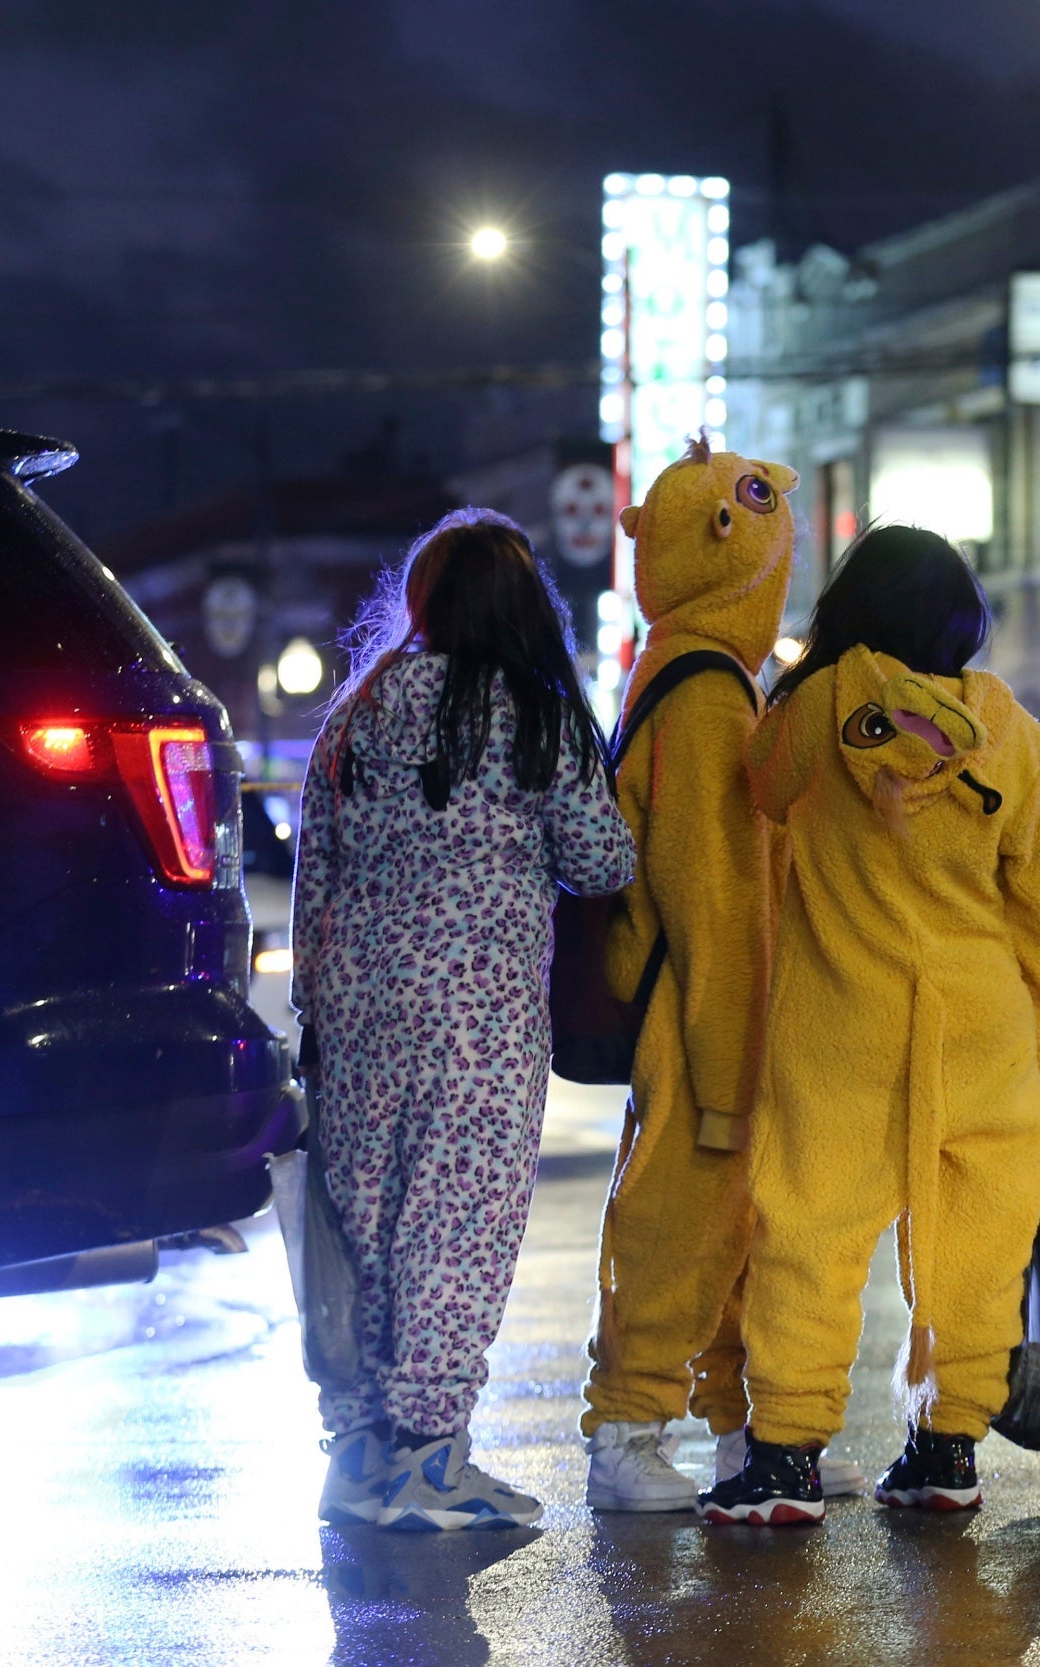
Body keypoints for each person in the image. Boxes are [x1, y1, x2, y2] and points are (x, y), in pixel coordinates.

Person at [699, 525, 1040, 1527]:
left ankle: (783, 1457)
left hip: (841, 1022)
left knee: (809, 1233)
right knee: (975, 1246)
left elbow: (760, 787)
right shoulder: (1015, 735)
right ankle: (947, 1445)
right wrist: (1032, 1037)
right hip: (980, 1022)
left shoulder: (814, 709)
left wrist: (823, 677)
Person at [291, 508, 634, 1531]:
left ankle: (357, 1453)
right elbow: (603, 860)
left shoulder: (358, 710)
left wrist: (313, 996)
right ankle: (429, 1457)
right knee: (459, 1224)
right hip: (476, 1021)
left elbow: (318, 871)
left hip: (356, 1009)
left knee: (363, 1224)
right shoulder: (530, 716)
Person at [578, 437, 867, 1509]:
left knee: (737, 1228)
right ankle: (627, 1428)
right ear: (738, 547)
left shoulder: (697, 673)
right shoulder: (703, 694)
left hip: (710, 1013)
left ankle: (742, 1432)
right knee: (681, 1224)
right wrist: (727, 1062)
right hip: (705, 1018)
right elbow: (717, 900)